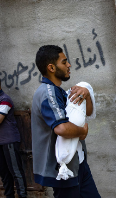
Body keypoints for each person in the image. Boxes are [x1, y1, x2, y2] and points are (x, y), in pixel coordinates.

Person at [31, 45, 101, 198]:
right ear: (51, 67)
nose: (69, 65)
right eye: (64, 62)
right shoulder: (47, 94)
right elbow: (61, 128)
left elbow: (87, 113)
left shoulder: (59, 92)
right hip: (63, 171)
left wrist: (87, 94)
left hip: (78, 164)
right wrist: (82, 131)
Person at [0, 80, 27, 198]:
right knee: (4, 174)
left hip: (9, 141)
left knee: (16, 172)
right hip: (1, 142)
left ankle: (23, 196)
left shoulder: (5, 99)